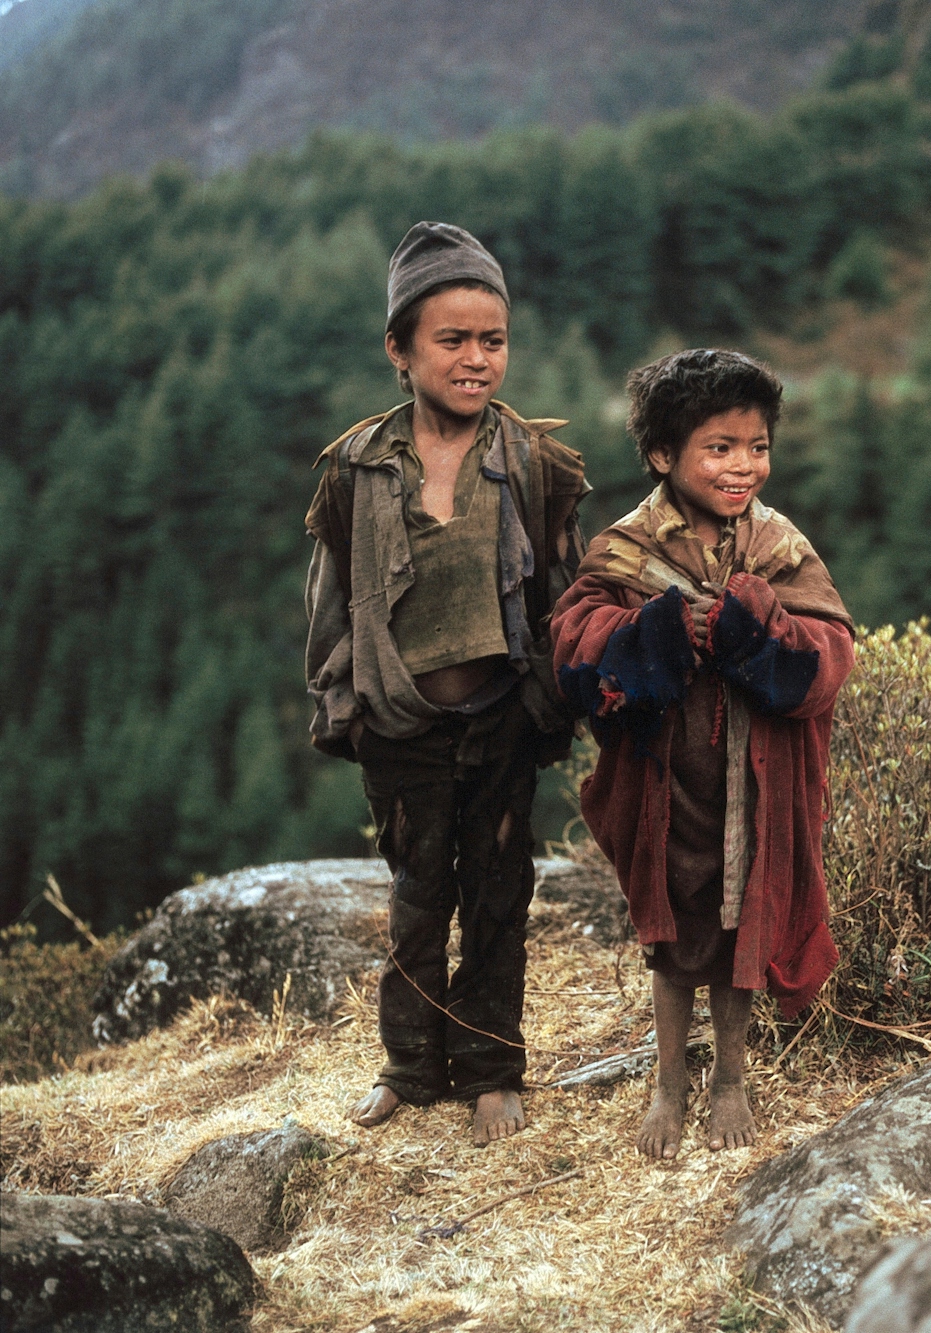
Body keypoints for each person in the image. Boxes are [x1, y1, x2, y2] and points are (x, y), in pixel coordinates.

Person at [304, 222, 587, 1144]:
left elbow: (562, 589)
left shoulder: (535, 463)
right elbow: (333, 605)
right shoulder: (356, 469)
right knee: (419, 893)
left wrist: (552, 700)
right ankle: (412, 1068)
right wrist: (343, 708)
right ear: (399, 348)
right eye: (451, 340)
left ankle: (493, 1068)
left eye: (492, 340)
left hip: (502, 715)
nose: (476, 359)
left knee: (500, 890)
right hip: (402, 721)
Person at [550, 349, 854, 1159]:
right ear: (662, 454)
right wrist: (653, 633)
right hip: (665, 779)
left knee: (737, 917)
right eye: (719, 447)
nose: (743, 465)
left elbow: (830, 648)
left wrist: (763, 635)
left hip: (752, 781)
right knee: (672, 924)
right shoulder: (626, 549)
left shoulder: (780, 545)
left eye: (757, 445)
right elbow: (574, 645)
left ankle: (730, 1077)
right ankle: (668, 1079)